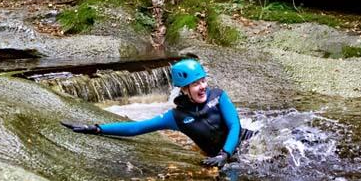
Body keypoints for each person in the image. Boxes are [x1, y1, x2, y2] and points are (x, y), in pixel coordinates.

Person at [61, 59, 254, 168]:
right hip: (225, 159)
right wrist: (97, 129)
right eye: (196, 84)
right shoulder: (176, 118)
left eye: (203, 81)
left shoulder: (219, 96)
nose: (203, 87)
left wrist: (225, 154)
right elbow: (136, 127)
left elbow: (234, 125)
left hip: (249, 146)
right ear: (184, 89)